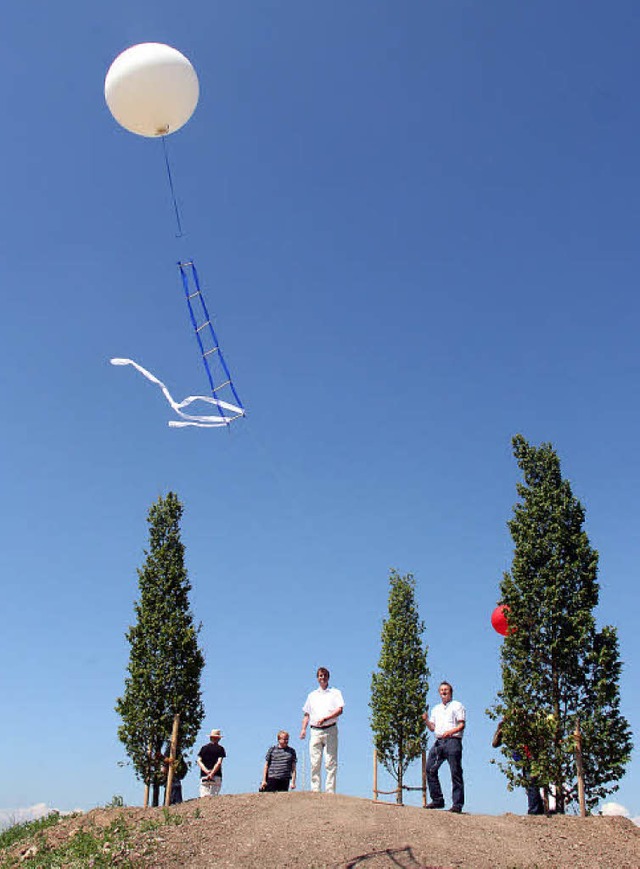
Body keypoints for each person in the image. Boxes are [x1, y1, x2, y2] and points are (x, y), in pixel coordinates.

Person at [300, 667, 344, 793]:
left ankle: (330, 790)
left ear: (328, 677)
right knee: (315, 762)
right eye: (320, 676)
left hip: (330, 729)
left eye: (324, 675)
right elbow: (306, 714)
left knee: (330, 761)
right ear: (317, 678)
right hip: (315, 731)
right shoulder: (312, 695)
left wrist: (326, 718)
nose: (322, 678)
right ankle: (315, 789)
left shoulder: (335, 693)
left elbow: (340, 710)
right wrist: (303, 729)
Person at [423, 681, 466, 813]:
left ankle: (457, 805)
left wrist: (451, 732)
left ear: (450, 692)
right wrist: (426, 720)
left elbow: (461, 724)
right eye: (441, 690)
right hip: (439, 741)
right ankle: (437, 800)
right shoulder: (436, 709)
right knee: (430, 769)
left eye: (446, 689)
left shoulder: (457, 705)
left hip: (453, 741)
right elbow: (432, 728)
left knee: (455, 772)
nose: (443, 692)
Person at [492, 720, 544, 815]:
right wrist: (499, 730)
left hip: (529, 756)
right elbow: (495, 744)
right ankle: (538, 809)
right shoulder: (507, 732)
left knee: (531, 782)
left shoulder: (525, 728)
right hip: (522, 758)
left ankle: (535, 811)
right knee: (530, 784)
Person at [197, 729, 226, 797]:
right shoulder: (220, 749)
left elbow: (199, 761)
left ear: (210, 738)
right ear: (218, 739)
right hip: (216, 775)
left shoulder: (204, 748)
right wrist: (212, 773)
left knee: (203, 797)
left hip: (204, 776)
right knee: (213, 798)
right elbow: (219, 763)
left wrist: (207, 772)